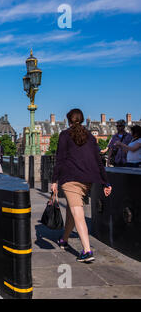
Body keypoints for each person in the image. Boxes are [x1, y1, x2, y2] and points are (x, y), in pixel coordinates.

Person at [51, 108, 112, 263]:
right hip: (87, 180)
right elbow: (98, 161)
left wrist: (54, 181)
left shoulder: (65, 135)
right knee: (73, 210)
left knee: (77, 213)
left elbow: (60, 159)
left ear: (69, 120)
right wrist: (105, 181)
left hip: (71, 178)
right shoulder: (90, 137)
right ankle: (64, 240)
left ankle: (86, 250)